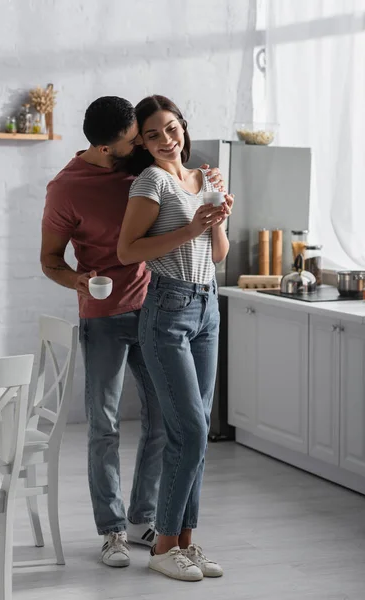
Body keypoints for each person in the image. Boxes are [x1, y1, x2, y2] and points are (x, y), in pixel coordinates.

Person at [40, 96, 225, 568]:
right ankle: (113, 530)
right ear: (106, 148)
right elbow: (50, 259)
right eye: (134, 141)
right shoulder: (66, 189)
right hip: (103, 314)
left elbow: (179, 187)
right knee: (103, 423)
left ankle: (147, 518)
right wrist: (76, 280)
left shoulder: (145, 167)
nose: (147, 145)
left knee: (166, 420)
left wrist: (211, 193)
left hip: (158, 306)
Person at [117, 95, 233, 582]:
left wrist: (218, 217)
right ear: (142, 142)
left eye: (172, 129)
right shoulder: (151, 181)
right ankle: (164, 545)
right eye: (153, 134)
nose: (167, 140)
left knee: (199, 431)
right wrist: (189, 228)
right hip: (167, 310)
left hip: (207, 306)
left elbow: (220, 254)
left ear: (183, 127)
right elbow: (127, 251)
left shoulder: (204, 179)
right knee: (186, 431)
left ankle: (186, 541)